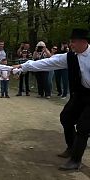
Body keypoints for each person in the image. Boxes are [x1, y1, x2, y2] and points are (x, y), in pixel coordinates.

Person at [13, 28, 90, 171]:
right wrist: (23, 66)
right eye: (70, 42)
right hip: (80, 94)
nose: (71, 44)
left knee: (83, 127)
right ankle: (71, 147)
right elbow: (47, 63)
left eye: (73, 42)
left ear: (84, 42)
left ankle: (75, 160)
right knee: (66, 118)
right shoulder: (70, 56)